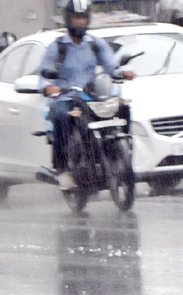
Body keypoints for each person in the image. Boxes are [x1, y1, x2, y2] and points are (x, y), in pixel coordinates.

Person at [40, 0, 135, 190]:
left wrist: (120, 73)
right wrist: (48, 87)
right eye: (77, 18)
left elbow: (111, 65)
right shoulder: (57, 47)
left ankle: (121, 151)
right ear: (68, 19)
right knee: (61, 118)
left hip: (92, 98)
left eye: (83, 18)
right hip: (67, 98)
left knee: (123, 107)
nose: (81, 22)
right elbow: (44, 76)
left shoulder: (95, 44)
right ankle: (63, 169)